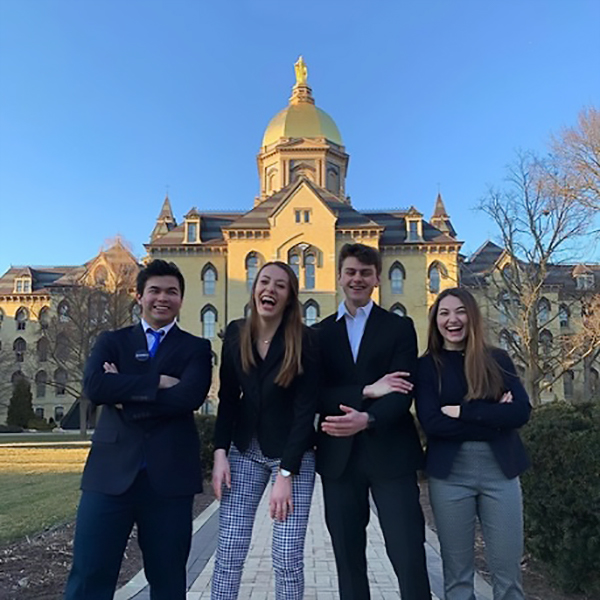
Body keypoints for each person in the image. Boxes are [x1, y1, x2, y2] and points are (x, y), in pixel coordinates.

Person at [64, 259, 212, 600]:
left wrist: (124, 393)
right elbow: (96, 387)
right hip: (109, 476)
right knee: (89, 576)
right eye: (155, 291)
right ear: (138, 296)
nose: (163, 298)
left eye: (172, 292)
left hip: (169, 482)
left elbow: (187, 398)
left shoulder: (196, 349)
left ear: (181, 299)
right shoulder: (111, 341)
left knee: (168, 580)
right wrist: (157, 382)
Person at [315, 242, 431, 600]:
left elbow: (401, 390)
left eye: (365, 273)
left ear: (377, 278)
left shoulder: (399, 328)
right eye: (350, 272)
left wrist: (366, 418)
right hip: (339, 460)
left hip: (391, 454)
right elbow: (316, 394)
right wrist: (366, 390)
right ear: (339, 277)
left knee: (408, 552)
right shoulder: (318, 335)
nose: (357, 279)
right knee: (349, 561)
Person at [211, 261, 318, 600]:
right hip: (245, 450)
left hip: (292, 453)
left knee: (286, 557)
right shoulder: (236, 333)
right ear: (255, 288)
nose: (270, 289)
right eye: (264, 282)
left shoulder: (304, 341)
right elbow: (227, 398)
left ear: (289, 298)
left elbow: (305, 412)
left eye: (280, 286)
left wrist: (286, 473)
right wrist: (219, 454)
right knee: (228, 551)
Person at [415, 288, 531, 600]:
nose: (452, 319)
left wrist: (463, 411)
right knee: (458, 576)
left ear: (472, 316)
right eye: (444, 313)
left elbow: (521, 412)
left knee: (508, 576)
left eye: (459, 311)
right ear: (435, 321)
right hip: (449, 477)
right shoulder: (427, 367)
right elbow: (432, 424)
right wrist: (495, 416)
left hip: (501, 474)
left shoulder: (498, 359)